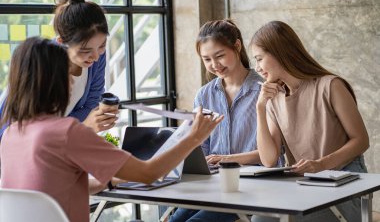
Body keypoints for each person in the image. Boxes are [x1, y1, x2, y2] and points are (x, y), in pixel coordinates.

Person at [0, 37, 223, 222]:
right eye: (69, 72)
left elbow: (52, 189)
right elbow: (149, 173)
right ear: (54, 80)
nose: (73, 79)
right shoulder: (65, 132)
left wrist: (112, 179)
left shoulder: (12, 134)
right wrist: (194, 137)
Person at [251, 21, 369, 222]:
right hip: (304, 189)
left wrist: (321, 165)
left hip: (344, 184)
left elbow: (361, 140)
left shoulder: (331, 85)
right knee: (261, 219)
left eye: (259, 59)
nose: (257, 68)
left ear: (280, 53)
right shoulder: (273, 99)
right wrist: (260, 108)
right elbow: (269, 160)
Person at [170, 19, 264, 222]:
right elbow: (201, 147)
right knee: (174, 219)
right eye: (207, 59)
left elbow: (277, 153)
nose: (215, 65)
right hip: (212, 183)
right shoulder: (204, 95)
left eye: (220, 56)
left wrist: (228, 159)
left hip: (253, 185)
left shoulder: (264, 90)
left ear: (237, 46)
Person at [0, 0, 116, 140]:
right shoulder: (42, 64)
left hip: (56, 144)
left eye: (102, 46)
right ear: (62, 42)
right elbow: (28, 128)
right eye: (85, 50)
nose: (96, 56)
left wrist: (91, 120)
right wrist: (83, 126)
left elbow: (92, 104)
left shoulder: (96, 57)